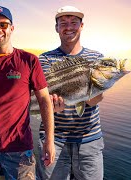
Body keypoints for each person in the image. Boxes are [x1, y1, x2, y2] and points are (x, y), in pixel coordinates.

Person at [0, 5, 55, 180]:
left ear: (12, 28)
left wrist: (49, 140)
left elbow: (45, 99)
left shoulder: (29, 60)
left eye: (3, 25)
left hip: (19, 146)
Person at [36, 6, 105, 180]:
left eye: (74, 23)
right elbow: (38, 98)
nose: (69, 27)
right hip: (53, 140)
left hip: (89, 140)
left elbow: (94, 100)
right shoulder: (43, 59)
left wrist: (93, 90)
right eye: (63, 23)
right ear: (56, 28)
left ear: (81, 26)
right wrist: (49, 108)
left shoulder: (96, 58)